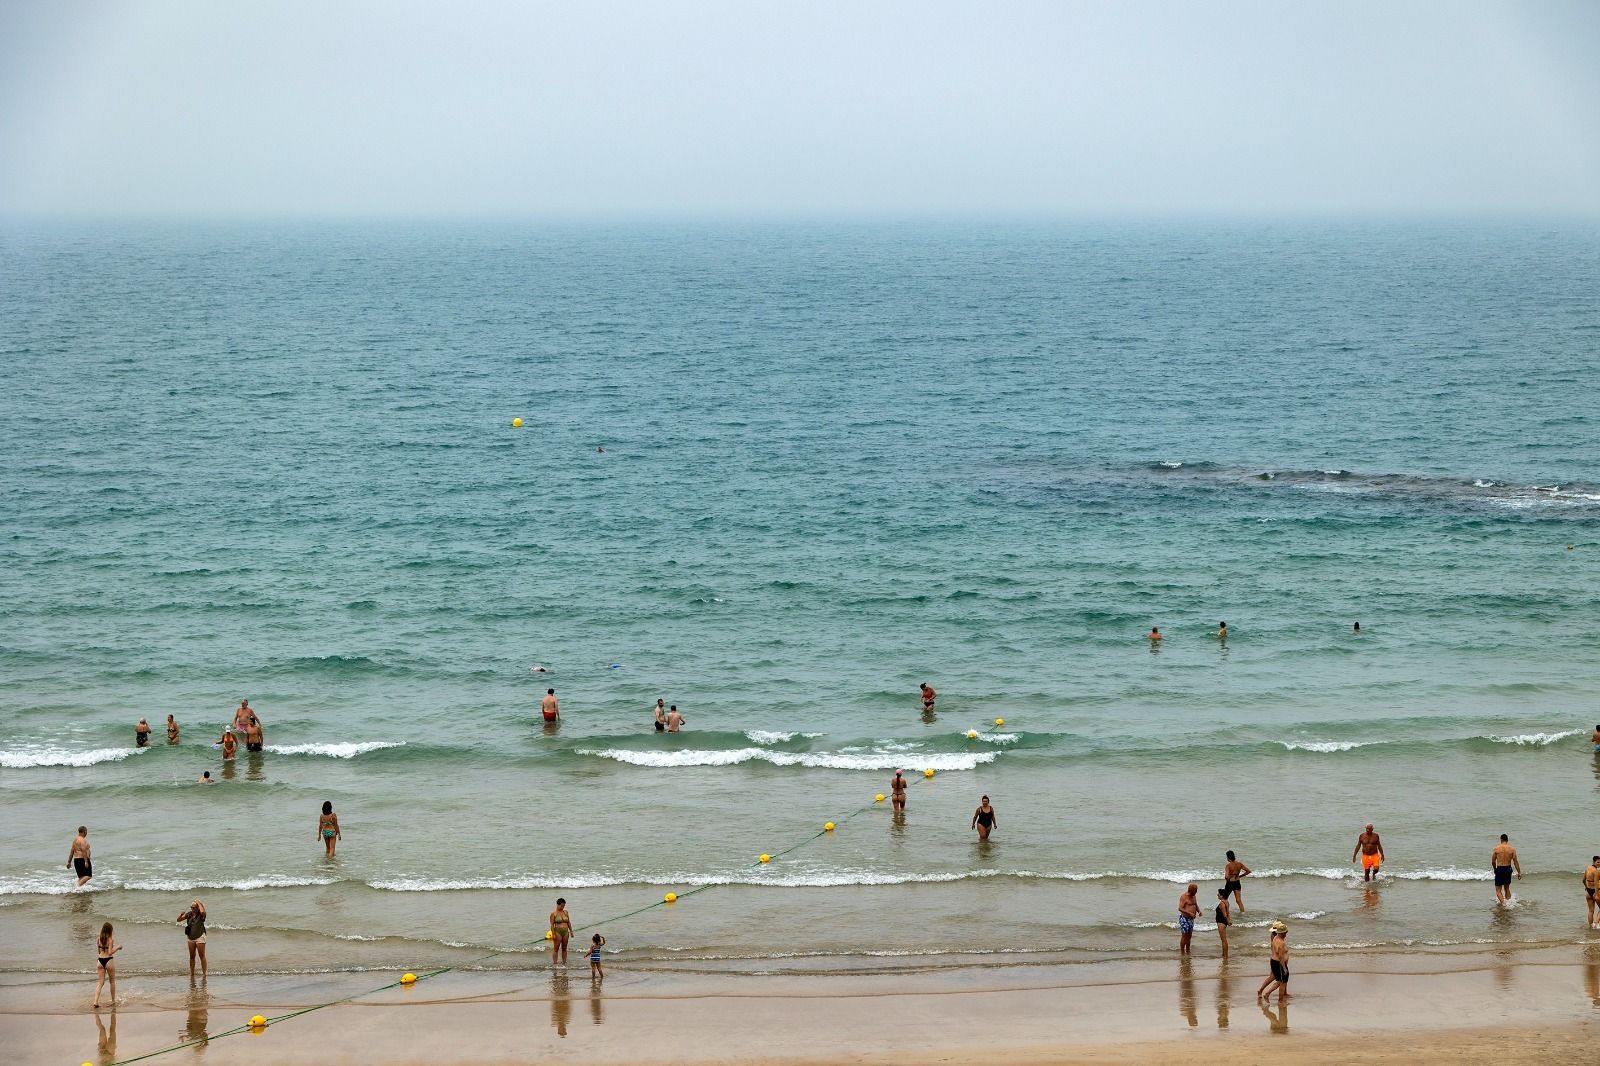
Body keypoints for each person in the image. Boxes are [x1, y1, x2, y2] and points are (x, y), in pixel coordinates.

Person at [1257, 921, 1289, 1003]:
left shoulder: (1276, 937)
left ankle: (1283, 993)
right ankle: (1265, 992)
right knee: (1278, 979)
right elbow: (1280, 955)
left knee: (1280, 979)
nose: (1286, 934)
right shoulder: (1277, 939)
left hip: (1276, 961)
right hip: (1278, 962)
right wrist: (1284, 967)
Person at [93, 922, 121, 1007]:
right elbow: (109, 953)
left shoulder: (98, 939)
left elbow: (98, 952)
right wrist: (118, 947)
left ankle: (95, 1002)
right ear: (110, 930)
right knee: (112, 982)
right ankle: (113, 1001)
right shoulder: (110, 939)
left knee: (100, 982)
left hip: (100, 961)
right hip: (108, 961)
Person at [178, 900, 207, 978]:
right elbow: (178, 920)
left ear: (198, 908)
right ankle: (192, 973)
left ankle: (204, 974)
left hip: (200, 937)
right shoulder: (189, 914)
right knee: (192, 956)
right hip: (190, 937)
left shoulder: (201, 915)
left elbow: (203, 912)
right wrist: (180, 915)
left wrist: (199, 903)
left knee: (201, 956)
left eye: (194, 907)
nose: (192, 909)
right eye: (191, 907)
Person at [1492, 834, 1522, 905]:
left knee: (1498, 890)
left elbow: (1493, 861)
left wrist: (1495, 869)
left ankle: (1503, 904)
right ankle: (1509, 903)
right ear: (1507, 840)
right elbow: (1515, 862)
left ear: (1501, 839)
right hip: (1508, 869)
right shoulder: (1512, 849)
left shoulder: (1496, 849)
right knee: (1507, 888)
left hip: (1500, 869)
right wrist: (1519, 872)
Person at [1177, 884, 1200, 955]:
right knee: (1184, 935)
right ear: (1191, 890)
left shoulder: (1194, 896)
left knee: (1189, 935)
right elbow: (1180, 908)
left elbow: (1195, 904)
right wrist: (1190, 913)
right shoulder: (1184, 897)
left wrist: (1199, 911)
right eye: (1195, 891)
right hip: (1184, 919)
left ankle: (1188, 950)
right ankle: (1182, 951)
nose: (1196, 892)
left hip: (1191, 920)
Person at [549, 898, 573, 965]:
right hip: (558, 932)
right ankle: (555, 964)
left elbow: (568, 922)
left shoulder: (566, 912)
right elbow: (552, 925)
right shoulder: (553, 913)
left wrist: (571, 931)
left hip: (565, 932)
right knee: (556, 948)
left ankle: (564, 963)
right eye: (562, 905)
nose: (563, 907)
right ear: (558, 905)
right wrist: (553, 934)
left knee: (564, 948)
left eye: (564, 906)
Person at [1214, 888, 1232, 958]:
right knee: (1224, 939)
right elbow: (1228, 912)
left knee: (1223, 939)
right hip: (1224, 922)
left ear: (1222, 896)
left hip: (1221, 922)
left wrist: (1228, 921)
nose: (1217, 895)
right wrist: (1229, 920)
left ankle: (1225, 955)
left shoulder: (1221, 903)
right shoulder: (1226, 902)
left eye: (1218, 894)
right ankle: (1224, 954)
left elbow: (1224, 914)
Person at [1584, 856, 1600, 929]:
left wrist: (1586, 887)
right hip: (1595, 892)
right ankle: (1596, 924)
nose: (1599, 864)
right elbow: (1596, 884)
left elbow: (1583, 880)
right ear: (1593, 862)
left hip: (1588, 892)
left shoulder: (1587, 868)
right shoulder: (1596, 871)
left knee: (1591, 911)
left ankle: (1591, 927)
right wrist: (1596, 895)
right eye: (1598, 862)